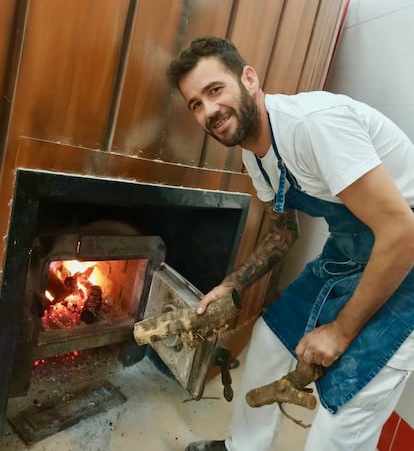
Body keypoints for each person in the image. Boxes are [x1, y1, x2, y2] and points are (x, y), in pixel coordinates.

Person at [166, 36, 414, 451]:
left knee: (340, 418)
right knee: (269, 339)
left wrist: (339, 331)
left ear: (249, 79)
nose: (209, 111)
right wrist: (232, 286)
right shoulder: (255, 156)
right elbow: (284, 232)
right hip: (348, 253)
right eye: (196, 104)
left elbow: (402, 232)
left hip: (405, 262)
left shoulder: (313, 124)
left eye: (214, 90)